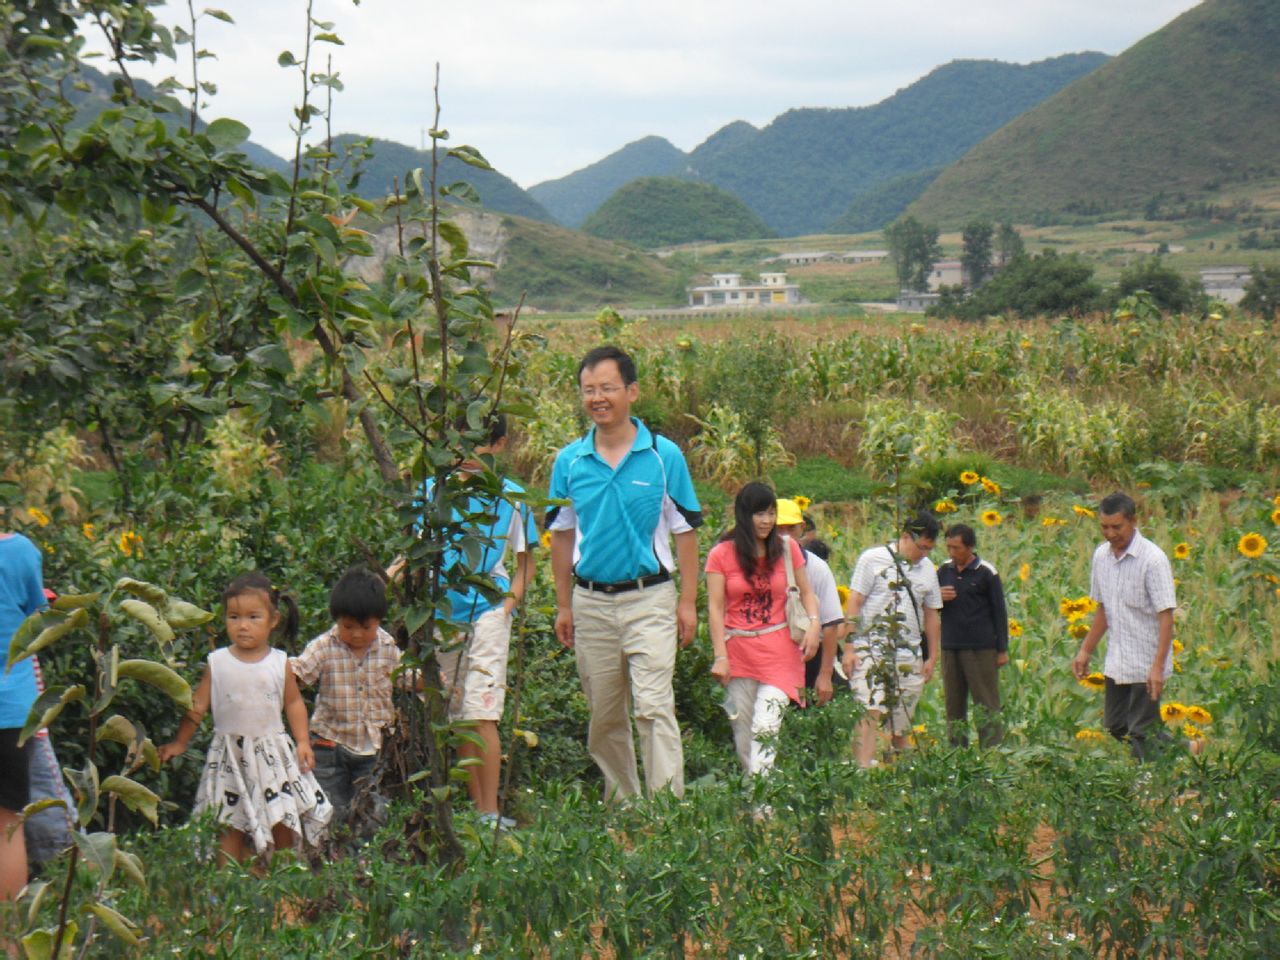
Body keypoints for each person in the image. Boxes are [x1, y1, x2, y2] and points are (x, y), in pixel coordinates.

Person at [547, 344, 702, 802]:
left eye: (608, 388)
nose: (598, 397)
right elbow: (560, 535)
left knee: (654, 707)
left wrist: (687, 602)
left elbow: (685, 532)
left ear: (631, 392)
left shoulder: (662, 455)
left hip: (649, 598)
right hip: (590, 602)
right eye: (589, 389)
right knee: (605, 716)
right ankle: (625, 811)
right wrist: (562, 605)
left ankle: (668, 815)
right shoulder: (569, 462)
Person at [159, 572, 331, 861]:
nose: (243, 626)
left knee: (282, 819)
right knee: (228, 822)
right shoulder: (218, 662)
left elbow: (293, 703)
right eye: (234, 617)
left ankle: (285, 882)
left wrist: (303, 741)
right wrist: (180, 743)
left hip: (272, 755)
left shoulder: (279, 662)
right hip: (230, 757)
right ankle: (230, 889)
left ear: (273, 620)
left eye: (253, 617)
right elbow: (198, 706)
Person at [425, 414, 536, 828]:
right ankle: (469, 809)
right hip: (442, 614)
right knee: (455, 712)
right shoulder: (432, 492)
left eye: (477, 446)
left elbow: (527, 564)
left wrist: (507, 605)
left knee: (483, 710)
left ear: (500, 445)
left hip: (489, 611)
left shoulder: (510, 497)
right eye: (459, 444)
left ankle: (490, 812)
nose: (466, 456)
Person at [706, 484, 821, 777]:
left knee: (766, 727)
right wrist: (720, 656)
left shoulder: (787, 548)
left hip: (781, 650)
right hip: (739, 652)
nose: (767, 521)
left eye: (771, 513)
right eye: (760, 514)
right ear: (745, 516)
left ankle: (763, 808)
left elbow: (807, 592)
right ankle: (757, 797)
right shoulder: (721, 554)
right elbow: (716, 609)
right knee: (744, 736)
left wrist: (814, 624)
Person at [291, 566, 403, 826]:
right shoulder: (324, 647)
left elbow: (405, 676)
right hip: (330, 744)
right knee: (329, 809)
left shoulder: (387, 648)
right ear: (337, 619)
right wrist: (273, 668)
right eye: (348, 626)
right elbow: (299, 671)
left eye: (365, 627)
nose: (356, 634)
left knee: (373, 812)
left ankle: (364, 861)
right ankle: (331, 859)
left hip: (374, 746)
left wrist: (424, 680)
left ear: (379, 621)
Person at [1071, 492, 1177, 761]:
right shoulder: (1101, 557)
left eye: (1117, 527)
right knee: (1116, 725)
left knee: (1141, 730)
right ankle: (1184, 751)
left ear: (1133, 521)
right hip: (1118, 659)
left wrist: (1157, 666)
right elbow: (1103, 609)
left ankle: (1149, 787)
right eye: (1104, 527)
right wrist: (1085, 651)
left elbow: (1166, 616)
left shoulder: (1152, 559)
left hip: (1146, 658)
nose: (1110, 533)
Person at [842, 511, 943, 768]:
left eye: (929, 549)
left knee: (902, 715)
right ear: (906, 537)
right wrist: (850, 647)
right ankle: (863, 769)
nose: (924, 553)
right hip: (871, 646)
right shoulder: (873, 559)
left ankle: (900, 772)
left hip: (908, 652)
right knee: (870, 708)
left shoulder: (928, 569)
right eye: (921, 547)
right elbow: (855, 602)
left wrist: (932, 656)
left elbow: (931, 614)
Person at [1, 531, 45, 905]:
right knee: (8, 825)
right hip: (14, 711)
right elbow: (39, 618)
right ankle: (8, 940)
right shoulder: (20, 552)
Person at [937, 523, 1009, 748]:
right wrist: (938, 597)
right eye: (948, 547)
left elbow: (999, 611)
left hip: (981, 647)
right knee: (953, 704)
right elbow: (930, 606)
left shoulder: (986, 572)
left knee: (985, 703)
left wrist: (1002, 649)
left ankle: (991, 752)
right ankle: (957, 753)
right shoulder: (943, 571)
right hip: (951, 646)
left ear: (970, 547)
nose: (952, 553)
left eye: (956, 548)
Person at [774, 499, 843, 705]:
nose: (785, 535)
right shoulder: (761, 567)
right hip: (774, 653)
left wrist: (825, 674)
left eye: (791, 528)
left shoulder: (817, 568)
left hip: (810, 653)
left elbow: (830, 624)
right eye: (779, 529)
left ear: (801, 529)